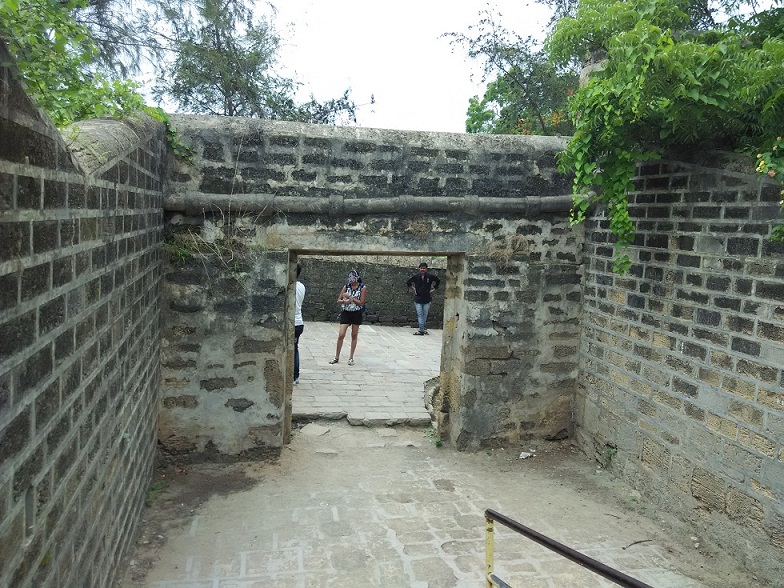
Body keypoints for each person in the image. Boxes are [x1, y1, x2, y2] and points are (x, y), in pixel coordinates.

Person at [329, 269, 367, 366]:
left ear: (356, 278)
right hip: (346, 312)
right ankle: (336, 356)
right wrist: (344, 301)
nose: (350, 279)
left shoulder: (362, 288)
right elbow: (338, 300)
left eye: (352, 277)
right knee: (341, 334)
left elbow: (361, 303)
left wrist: (351, 298)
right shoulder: (346, 287)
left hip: (356, 313)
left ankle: (351, 357)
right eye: (349, 277)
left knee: (354, 335)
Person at [406, 262, 440, 335]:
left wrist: (434, 289)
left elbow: (438, 280)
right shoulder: (416, 276)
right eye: (421, 268)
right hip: (418, 298)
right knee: (420, 314)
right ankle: (421, 330)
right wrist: (414, 289)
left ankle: (423, 329)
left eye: (424, 268)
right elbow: (408, 282)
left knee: (425, 315)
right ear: (419, 269)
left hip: (427, 299)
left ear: (426, 269)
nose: (422, 269)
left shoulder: (429, 276)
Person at [293, 264, 306, 384]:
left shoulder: (290, 287)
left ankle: (294, 376)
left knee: (292, 349)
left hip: (293, 322)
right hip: (299, 322)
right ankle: (295, 376)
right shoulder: (302, 286)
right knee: (294, 348)